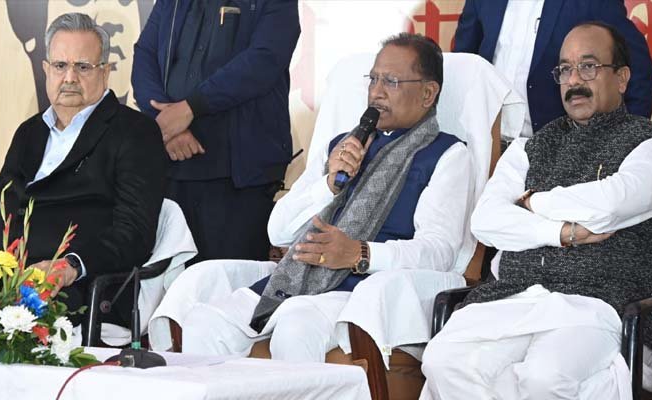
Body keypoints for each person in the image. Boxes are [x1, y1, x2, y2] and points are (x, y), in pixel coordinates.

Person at [152, 33, 474, 362]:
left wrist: (359, 254)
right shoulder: (342, 146)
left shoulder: (446, 155)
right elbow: (278, 232)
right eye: (373, 79)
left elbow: (439, 251)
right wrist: (329, 185)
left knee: (297, 324)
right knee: (206, 323)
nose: (376, 92)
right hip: (296, 279)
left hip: (366, 293)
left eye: (391, 82)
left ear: (428, 93)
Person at [421, 21, 652, 400]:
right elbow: (486, 221)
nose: (574, 80)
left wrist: (533, 202)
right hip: (514, 295)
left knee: (544, 378)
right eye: (565, 69)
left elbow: (609, 205)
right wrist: (561, 233)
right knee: (442, 360)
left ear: (622, 78)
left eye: (588, 67)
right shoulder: (529, 146)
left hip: (595, 304)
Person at [0, 13, 167, 327]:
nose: (69, 77)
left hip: (72, 293)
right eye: (60, 65)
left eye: (83, 67)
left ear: (105, 72)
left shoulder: (134, 132)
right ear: (46, 70)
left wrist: (70, 266)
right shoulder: (29, 132)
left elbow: (133, 233)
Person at [132, 0, 301, 264]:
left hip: (238, 174)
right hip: (170, 165)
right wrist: (165, 123)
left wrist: (191, 108)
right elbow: (145, 53)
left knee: (228, 282)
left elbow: (265, 59)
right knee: (166, 280)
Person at [454, 0, 652, 138]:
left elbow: (640, 75)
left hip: (561, 154)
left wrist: (624, 142)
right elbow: (462, 67)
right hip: (488, 149)